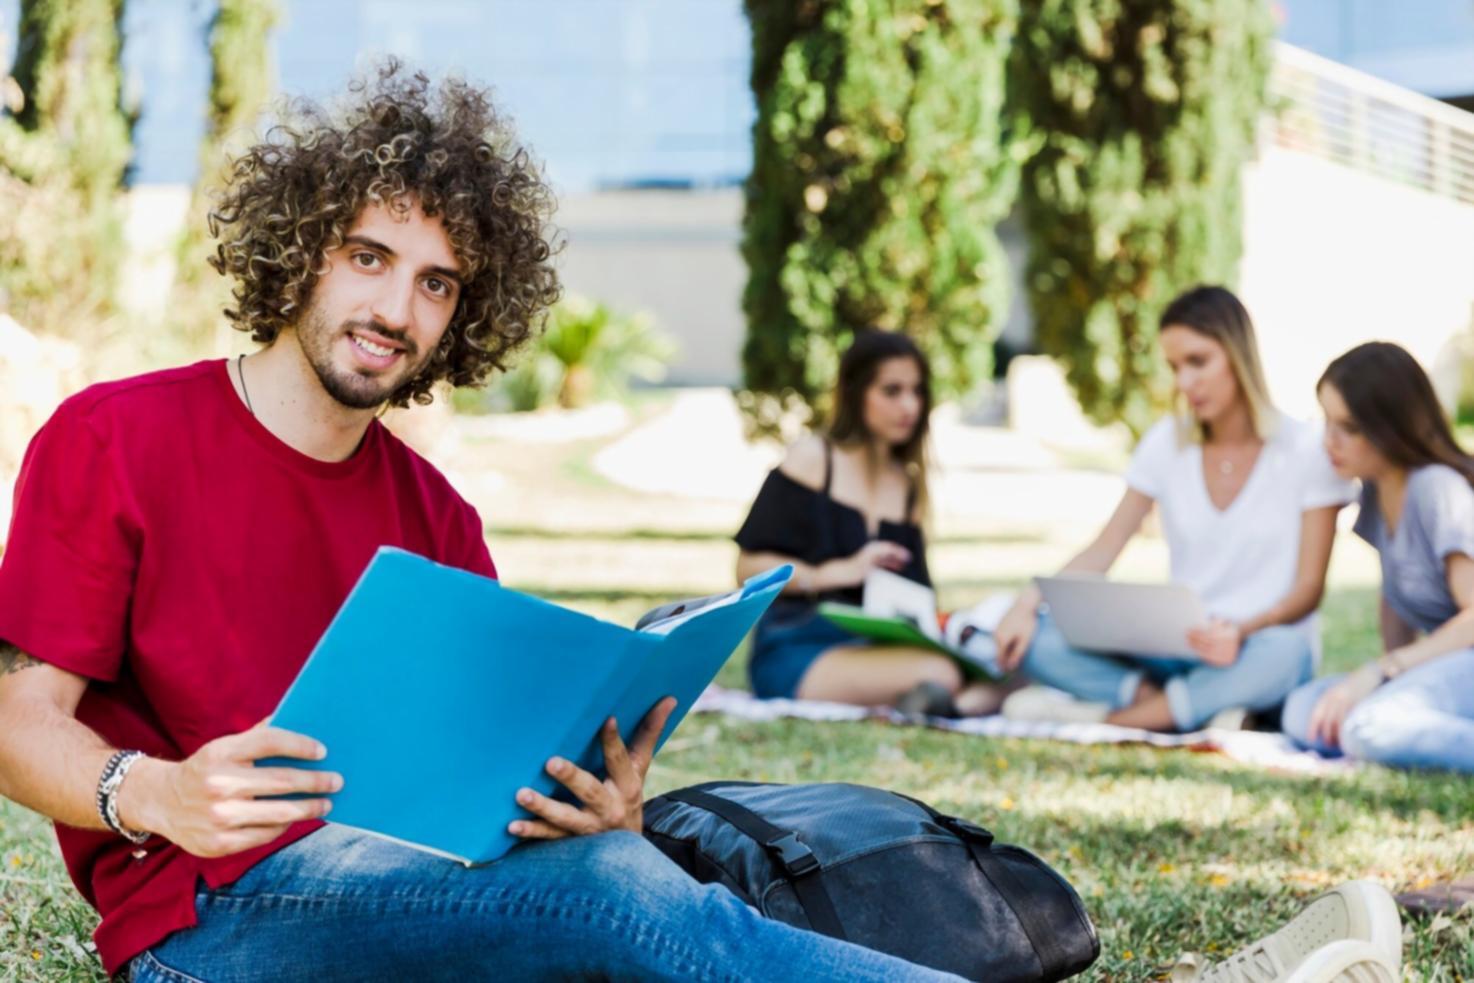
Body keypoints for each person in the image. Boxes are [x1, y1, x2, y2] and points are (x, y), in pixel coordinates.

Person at [0, 63, 973, 982]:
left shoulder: (438, 514)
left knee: (618, 876)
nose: (395, 308)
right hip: (210, 917)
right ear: (298, 251)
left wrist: (595, 810)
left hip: (413, 892)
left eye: (437, 282)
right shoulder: (116, 435)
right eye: (368, 257)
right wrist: (153, 789)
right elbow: (16, 721)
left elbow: (473, 782)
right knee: (614, 894)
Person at [994, 286, 1355, 732]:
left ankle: (1117, 719)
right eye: (1174, 367)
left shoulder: (1306, 450)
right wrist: (1026, 602)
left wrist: (1239, 631)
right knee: (1037, 636)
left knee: (1288, 654)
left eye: (1198, 362)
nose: (1184, 383)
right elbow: (1105, 548)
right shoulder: (1166, 443)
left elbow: (1308, 590)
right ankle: (1189, 709)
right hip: (1174, 646)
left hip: (1256, 644)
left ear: (1238, 353)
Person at [734, 330, 1003, 717]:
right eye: (892, 391)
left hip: (876, 648)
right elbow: (747, 570)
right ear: (856, 392)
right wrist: (836, 573)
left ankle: (945, 706)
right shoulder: (813, 459)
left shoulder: (908, 485)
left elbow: (914, 597)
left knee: (1005, 665)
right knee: (940, 672)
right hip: (800, 648)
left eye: (917, 391)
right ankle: (946, 705)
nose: (909, 405)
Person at [1282, 342, 1474, 773]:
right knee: (1305, 710)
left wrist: (1383, 673)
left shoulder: (1436, 489)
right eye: (1326, 421)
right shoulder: (1375, 492)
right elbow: (1395, 597)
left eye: (1346, 427)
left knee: (1368, 725)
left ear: (1389, 426)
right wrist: (1389, 679)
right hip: (1447, 670)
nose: (1328, 440)